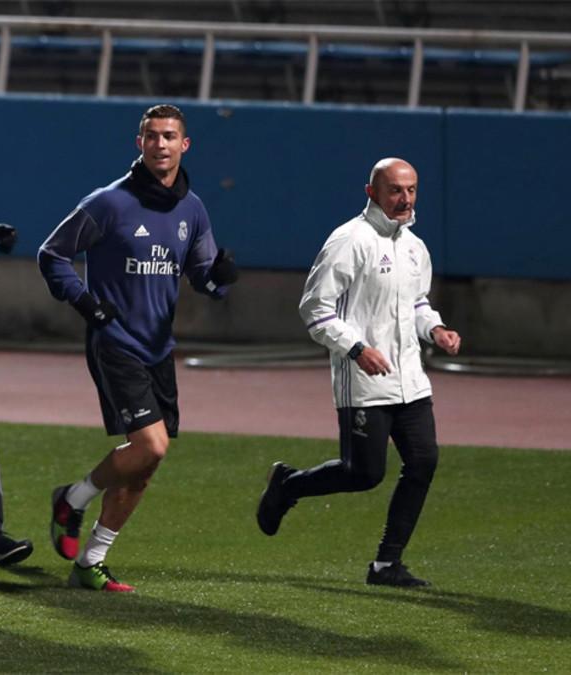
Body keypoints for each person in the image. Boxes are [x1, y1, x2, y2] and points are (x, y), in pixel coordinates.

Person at [38, 104, 239, 592]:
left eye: (169, 136)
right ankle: (73, 498)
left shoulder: (193, 208)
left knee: (147, 463)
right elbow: (52, 254)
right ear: (140, 143)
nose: (161, 144)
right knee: (152, 444)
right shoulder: (109, 203)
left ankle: (91, 562)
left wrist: (219, 282)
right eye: (152, 136)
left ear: (184, 145)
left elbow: (202, 273)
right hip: (115, 342)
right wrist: (87, 303)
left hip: (157, 347)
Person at [256, 157, 460, 588]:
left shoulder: (414, 246)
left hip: (412, 379)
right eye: (395, 190)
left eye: (411, 190)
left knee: (423, 462)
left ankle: (387, 565)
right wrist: (356, 348)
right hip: (365, 379)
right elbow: (314, 308)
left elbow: (418, 304)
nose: (404, 199)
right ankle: (288, 485)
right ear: (372, 192)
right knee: (364, 474)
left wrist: (436, 329)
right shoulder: (350, 240)